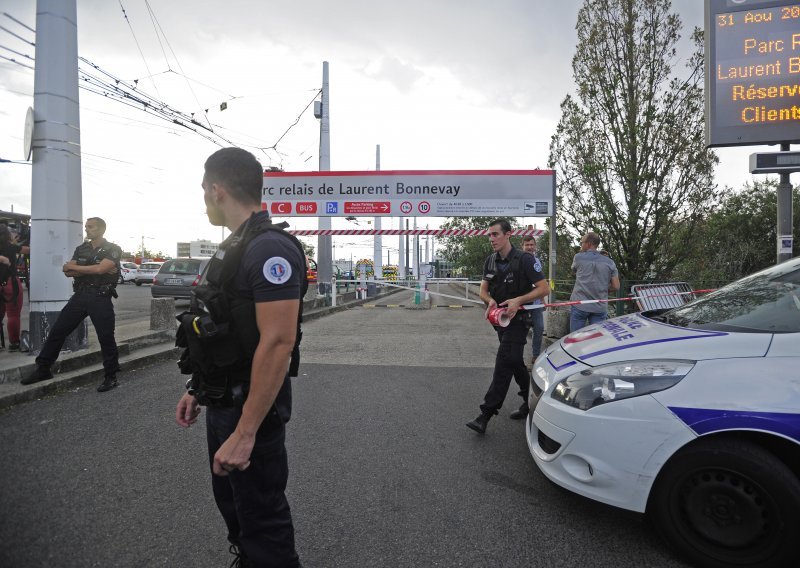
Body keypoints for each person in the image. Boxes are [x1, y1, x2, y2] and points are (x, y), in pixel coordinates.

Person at [175, 147, 304, 567]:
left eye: (203, 191)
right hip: (222, 400)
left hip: (252, 408)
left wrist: (246, 432)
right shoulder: (233, 247)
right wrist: (198, 388)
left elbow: (278, 342)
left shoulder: (269, 250)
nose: (203, 199)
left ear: (216, 190)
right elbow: (218, 324)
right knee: (235, 506)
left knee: (262, 516)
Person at [466, 219, 550, 434]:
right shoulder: (490, 261)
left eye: (495, 234)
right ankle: (530, 398)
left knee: (504, 361)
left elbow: (544, 289)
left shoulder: (525, 260)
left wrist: (519, 301)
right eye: (489, 235)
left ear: (508, 234)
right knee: (513, 360)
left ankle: (485, 414)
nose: (491, 239)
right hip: (499, 321)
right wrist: (489, 301)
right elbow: (482, 291)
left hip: (519, 320)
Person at [22, 218, 122, 392]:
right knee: (57, 331)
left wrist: (81, 268)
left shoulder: (113, 248)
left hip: (100, 297)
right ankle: (43, 369)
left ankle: (110, 376)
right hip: (80, 296)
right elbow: (67, 272)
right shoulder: (81, 248)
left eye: (90, 227)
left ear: (101, 229)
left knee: (106, 337)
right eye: (86, 227)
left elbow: (97, 270)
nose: (87, 229)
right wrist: (92, 267)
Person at [569, 232, 619, 332]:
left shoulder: (578, 257)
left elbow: (574, 270)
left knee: (575, 338)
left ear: (588, 243)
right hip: (599, 306)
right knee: (596, 341)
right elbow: (616, 286)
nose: (580, 245)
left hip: (580, 304)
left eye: (581, 242)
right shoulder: (610, 262)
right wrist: (603, 288)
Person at [0, 224, 30, 351]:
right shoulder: (11, 247)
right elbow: (27, 250)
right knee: (13, 315)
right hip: (10, 282)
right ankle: (14, 343)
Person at [521, 236, 545, 371]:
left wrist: (542, 299)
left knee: (540, 328)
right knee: (521, 330)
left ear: (535, 246)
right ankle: (518, 359)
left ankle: (535, 357)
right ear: (522, 246)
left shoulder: (537, 261)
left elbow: (540, 282)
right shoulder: (518, 261)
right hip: (523, 302)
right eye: (527, 245)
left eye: (532, 245)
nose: (530, 247)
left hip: (536, 302)